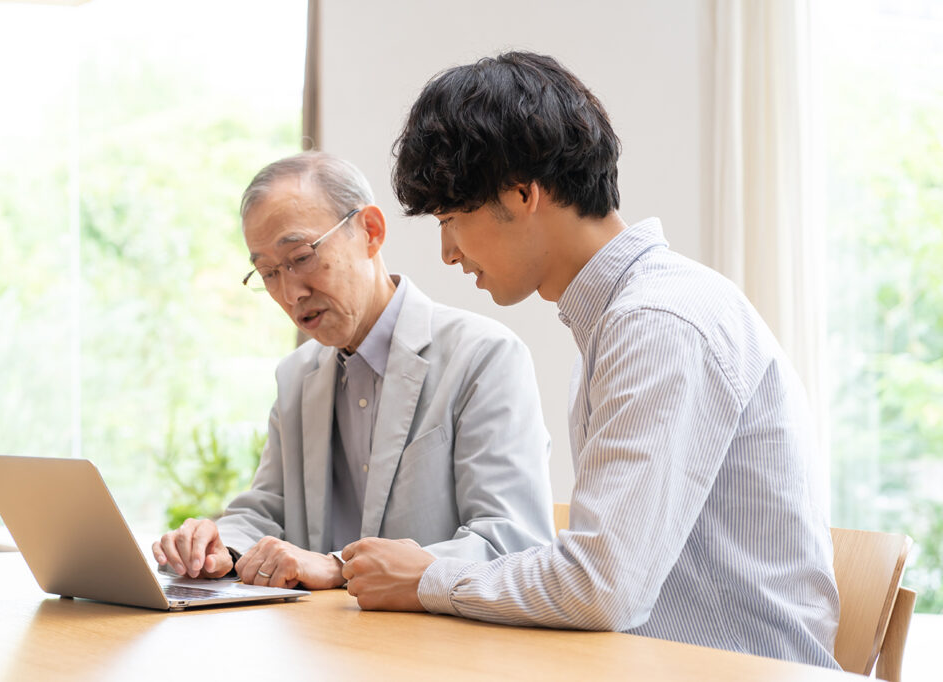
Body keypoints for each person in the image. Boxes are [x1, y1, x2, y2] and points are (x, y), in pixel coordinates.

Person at [339, 52, 841, 668]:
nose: (447, 253)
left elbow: (604, 588)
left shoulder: (659, 322)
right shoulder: (623, 319)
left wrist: (426, 579)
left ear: (523, 193)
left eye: (451, 219)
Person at [152, 151, 554, 591]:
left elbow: (512, 544)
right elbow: (266, 511)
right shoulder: (296, 376)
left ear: (371, 231)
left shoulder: (483, 356)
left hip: (440, 648)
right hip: (323, 645)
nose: (290, 292)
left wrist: (338, 564)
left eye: (302, 257)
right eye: (267, 272)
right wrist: (218, 548)